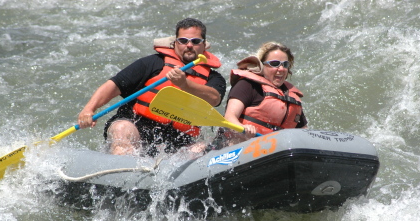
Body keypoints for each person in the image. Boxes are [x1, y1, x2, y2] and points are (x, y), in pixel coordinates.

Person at [77, 18, 226, 157]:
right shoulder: (152, 63)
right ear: (175, 43)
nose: (189, 45)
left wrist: (185, 84)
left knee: (199, 149)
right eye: (183, 40)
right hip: (136, 124)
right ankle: (122, 171)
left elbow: (213, 98)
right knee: (121, 129)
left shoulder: (214, 78)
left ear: (204, 45)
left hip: (180, 138)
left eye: (195, 41)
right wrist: (89, 109)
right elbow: (114, 85)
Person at [209, 41, 307, 149]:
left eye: (285, 65)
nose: (281, 69)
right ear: (261, 65)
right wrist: (242, 129)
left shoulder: (291, 98)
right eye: (274, 64)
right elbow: (229, 117)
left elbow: (304, 133)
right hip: (233, 148)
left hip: (273, 152)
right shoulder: (247, 85)